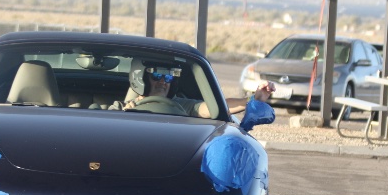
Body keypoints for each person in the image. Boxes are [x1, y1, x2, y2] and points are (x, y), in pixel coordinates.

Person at [110, 63, 275, 118]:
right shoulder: (120, 108)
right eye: (158, 75)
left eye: (168, 77)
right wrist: (125, 116)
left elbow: (216, 107)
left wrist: (254, 99)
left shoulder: (182, 106)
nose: (162, 81)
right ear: (143, 79)